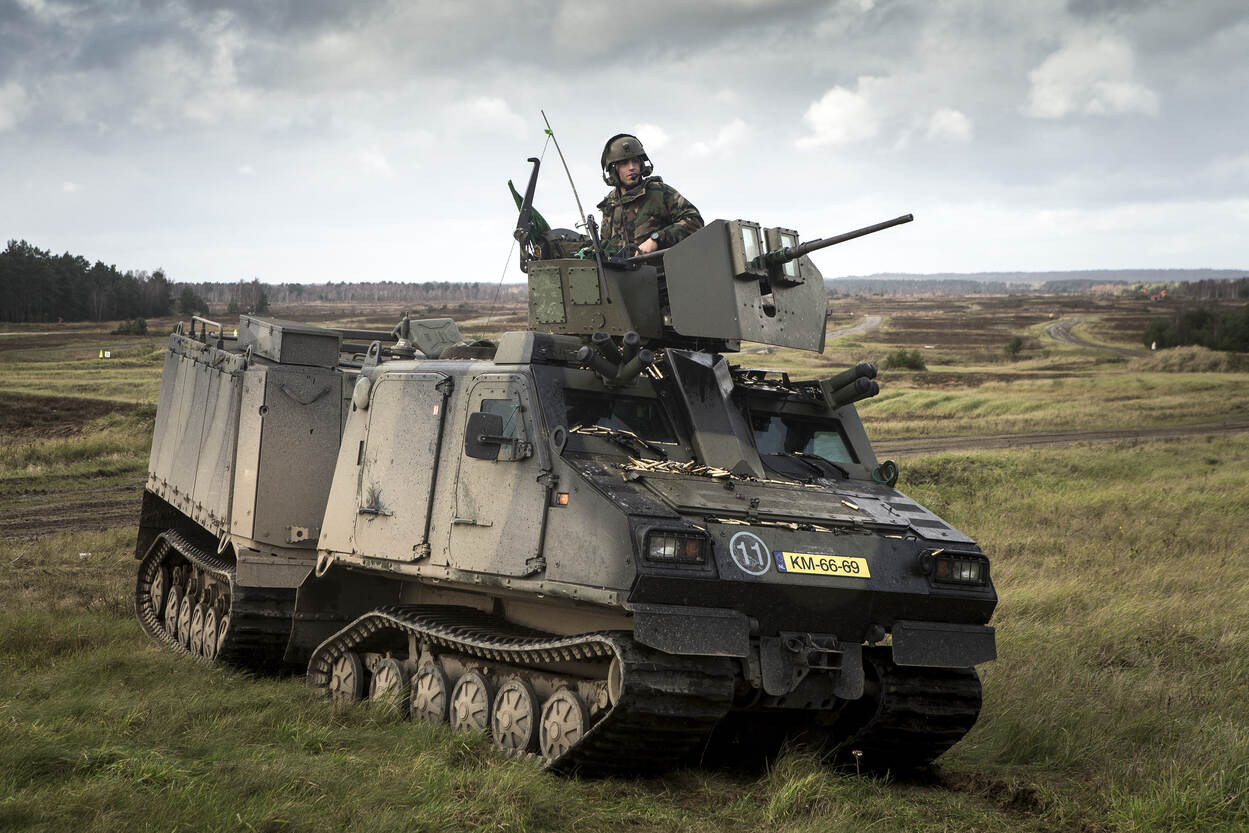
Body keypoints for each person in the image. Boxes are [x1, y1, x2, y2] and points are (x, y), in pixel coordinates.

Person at [597, 133, 703, 256]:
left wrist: (656, 239)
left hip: (660, 273)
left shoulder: (659, 192)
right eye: (624, 163)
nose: (632, 167)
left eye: (635, 161)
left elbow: (694, 221)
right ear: (614, 170)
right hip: (621, 274)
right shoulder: (610, 204)